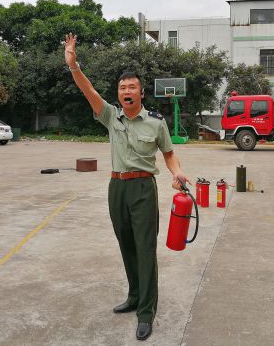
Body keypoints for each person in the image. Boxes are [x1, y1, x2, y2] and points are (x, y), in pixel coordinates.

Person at [63, 33, 190, 341]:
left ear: (141, 93)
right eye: (122, 87)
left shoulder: (156, 122)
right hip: (116, 188)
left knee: (145, 250)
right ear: (118, 94)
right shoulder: (110, 115)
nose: (126, 91)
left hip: (143, 189)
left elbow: (169, 153)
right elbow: (88, 90)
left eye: (132, 87)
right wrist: (74, 66)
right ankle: (134, 296)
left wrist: (178, 172)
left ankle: (146, 312)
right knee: (127, 247)